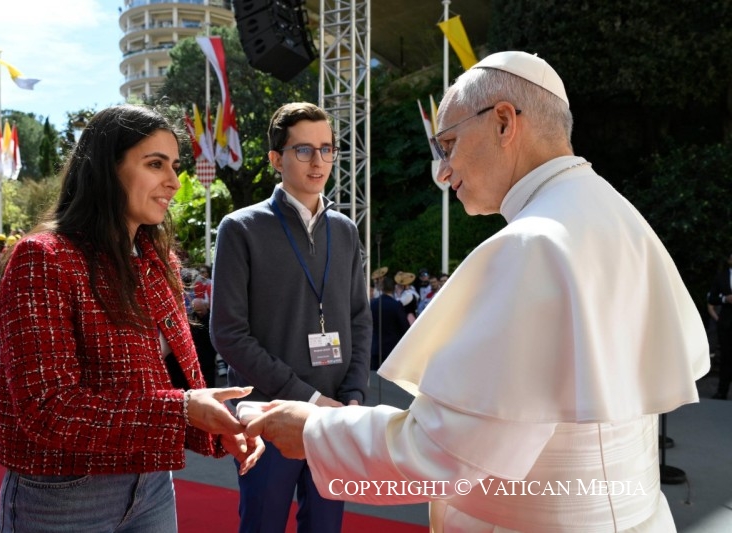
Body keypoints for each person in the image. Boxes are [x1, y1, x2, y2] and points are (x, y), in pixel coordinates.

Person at [245, 52, 710, 532]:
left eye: (448, 144)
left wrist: (315, 430)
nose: (442, 171)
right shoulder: (615, 213)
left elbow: (450, 455)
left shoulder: (534, 244)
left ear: (504, 122)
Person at [0, 104, 263, 533]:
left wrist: (218, 425)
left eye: (174, 165)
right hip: (64, 493)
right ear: (105, 169)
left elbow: (170, 382)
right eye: (155, 164)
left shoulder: (159, 260)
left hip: (152, 482)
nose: (173, 182)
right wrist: (185, 411)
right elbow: (47, 409)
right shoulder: (44, 258)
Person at [210, 102, 372, 533]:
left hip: (335, 416)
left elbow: (359, 317)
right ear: (276, 159)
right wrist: (311, 400)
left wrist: (353, 394)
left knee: (325, 526)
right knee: (262, 525)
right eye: (303, 150)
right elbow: (228, 333)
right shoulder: (240, 228)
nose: (318, 161)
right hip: (269, 417)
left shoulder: (345, 230)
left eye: (326, 148)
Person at [706, 252, 732, 399]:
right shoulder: (721, 277)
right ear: (729, 259)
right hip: (727, 323)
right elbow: (712, 298)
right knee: (726, 357)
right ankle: (722, 391)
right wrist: (725, 299)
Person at [370, 275, 409, 370]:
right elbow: (404, 327)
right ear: (394, 288)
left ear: (381, 288)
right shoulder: (396, 305)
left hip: (375, 348)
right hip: (393, 350)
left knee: (375, 381)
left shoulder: (372, 304)